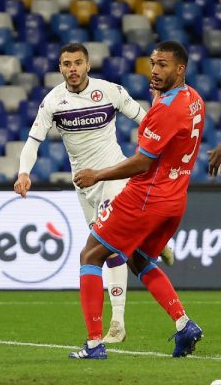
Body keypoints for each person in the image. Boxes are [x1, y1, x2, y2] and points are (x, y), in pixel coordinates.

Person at [13, 42, 172, 344]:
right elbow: (33, 141)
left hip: (114, 176)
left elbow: (145, 121)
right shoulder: (52, 102)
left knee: (108, 250)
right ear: (59, 68)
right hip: (84, 185)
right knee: (116, 248)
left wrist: (160, 110)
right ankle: (150, 242)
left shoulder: (110, 91)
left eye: (77, 63)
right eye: (66, 64)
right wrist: (24, 172)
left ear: (88, 65)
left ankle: (117, 322)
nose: (72, 69)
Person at [69, 41, 204, 359]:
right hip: (175, 200)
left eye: (163, 65)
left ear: (180, 69)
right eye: (153, 63)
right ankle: (184, 325)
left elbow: (142, 163)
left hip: (145, 198)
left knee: (90, 255)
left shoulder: (166, 111)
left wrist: (97, 175)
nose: (155, 70)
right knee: (139, 259)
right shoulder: (194, 99)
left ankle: (93, 345)